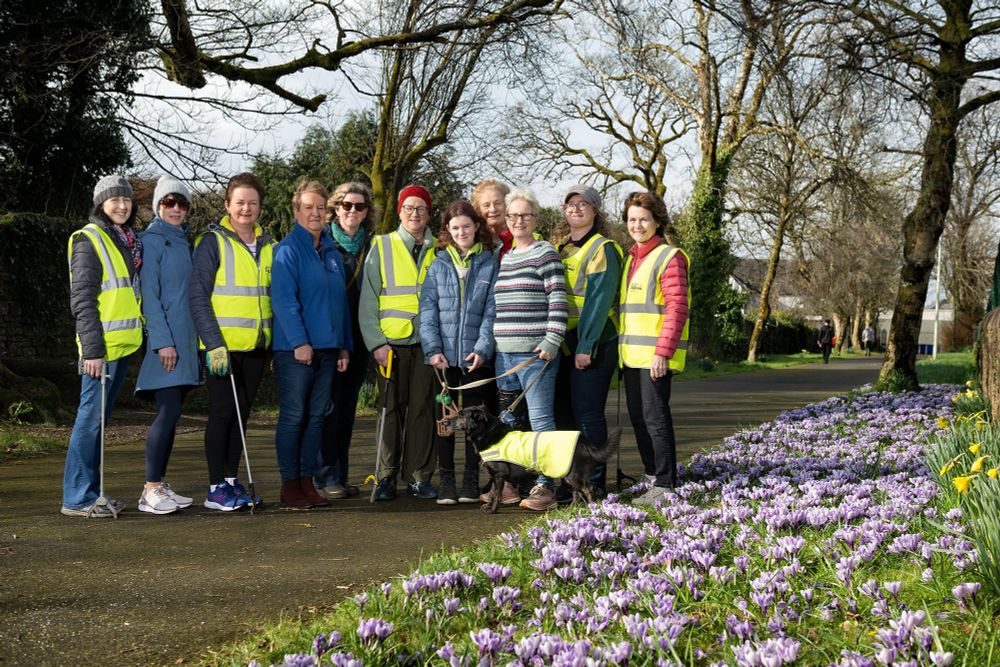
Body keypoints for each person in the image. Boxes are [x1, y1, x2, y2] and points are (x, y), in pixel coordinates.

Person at [190, 172, 273, 511]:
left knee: (242, 416)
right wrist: (212, 343)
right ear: (227, 205)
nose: (246, 208)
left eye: (252, 203)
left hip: (256, 346)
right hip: (222, 347)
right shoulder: (212, 241)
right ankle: (213, 489)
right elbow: (197, 296)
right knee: (223, 414)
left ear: (260, 207)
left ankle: (230, 480)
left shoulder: (268, 244)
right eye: (239, 202)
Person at [62, 175, 143, 517]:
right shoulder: (90, 239)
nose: (121, 205)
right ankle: (77, 497)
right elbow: (82, 299)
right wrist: (92, 351)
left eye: (126, 200)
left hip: (120, 346)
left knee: (99, 422)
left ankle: (93, 492)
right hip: (101, 350)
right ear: (100, 204)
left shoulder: (125, 240)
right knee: (89, 421)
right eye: (114, 200)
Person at [271, 180, 352, 509]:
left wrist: (344, 345)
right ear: (296, 212)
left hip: (328, 350)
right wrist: (300, 342)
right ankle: (290, 484)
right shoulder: (287, 251)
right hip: (296, 351)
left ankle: (307, 482)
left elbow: (340, 304)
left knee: (318, 415)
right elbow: (284, 302)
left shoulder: (332, 253)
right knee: (294, 415)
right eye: (309, 208)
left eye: (321, 208)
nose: (316, 213)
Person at [359, 184, 438, 501]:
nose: (414, 214)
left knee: (422, 411)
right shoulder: (382, 245)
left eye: (420, 208)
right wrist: (376, 342)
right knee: (390, 410)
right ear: (399, 212)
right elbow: (368, 299)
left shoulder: (440, 249)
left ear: (429, 214)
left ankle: (419, 477)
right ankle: (386, 477)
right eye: (409, 208)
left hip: (428, 344)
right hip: (390, 344)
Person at [492, 187, 567, 511]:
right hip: (504, 355)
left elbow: (558, 299)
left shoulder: (545, 252)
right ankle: (510, 485)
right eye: (513, 215)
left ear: (535, 218)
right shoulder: (506, 257)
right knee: (510, 422)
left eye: (524, 215)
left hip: (535, 356)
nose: (518, 220)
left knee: (540, 422)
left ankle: (546, 486)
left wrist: (552, 340)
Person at [419, 200, 498, 504]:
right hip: (444, 361)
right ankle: (447, 480)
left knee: (473, 422)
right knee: (445, 422)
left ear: (477, 227)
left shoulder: (490, 263)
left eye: (466, 226)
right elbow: (427, 311)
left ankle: (470, 480)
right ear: (447, 232)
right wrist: (433, 349)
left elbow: (493, 311)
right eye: (455, 228)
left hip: (475, 359)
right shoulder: (437, 264)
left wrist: (482, 348)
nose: (461, 231)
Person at [133, 176, 200, 515]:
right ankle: (150, 489)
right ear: (158, 206)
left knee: (172, 414)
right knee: (168, 410)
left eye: (182, 203)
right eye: (168, 202)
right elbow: (150, 298)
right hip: (168, 344)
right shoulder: (152, 241)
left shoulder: (184, 241)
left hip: (186, 342)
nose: (175, 208)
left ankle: (159, 483)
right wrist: (162, 343)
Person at [618, 192, 690, 507]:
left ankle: (665, 482)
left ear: (657, 221)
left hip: (655, 356)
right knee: (638, 417)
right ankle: (650, 474)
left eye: (644, 219)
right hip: (630, 355)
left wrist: (662, 352)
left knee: (655, 417)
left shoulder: (669, 256)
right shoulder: (629, 258)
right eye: (632, 219)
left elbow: (677, 307)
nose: (637, 225)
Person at [551, 184, 622, 499]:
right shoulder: (561, 248)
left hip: (593, 341)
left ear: (595, 210)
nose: (576, 209)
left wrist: (585, 346)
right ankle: (572, 483)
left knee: (588, 414)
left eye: (583, 204)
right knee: (564, 416)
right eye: (570, 205)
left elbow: (598, 301)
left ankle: (594, 482)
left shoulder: (603, 249)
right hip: (563, 341)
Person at [314, 182, 375, 500]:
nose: (353, 211)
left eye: (359, 207)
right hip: (331, 340)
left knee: (348, 409)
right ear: (335, 208)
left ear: (367, 212)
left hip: (361, 340)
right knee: (329, 408)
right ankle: (323, 476)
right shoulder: (321, 244)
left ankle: (340, 473)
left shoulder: (373, 246)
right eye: (346, 205)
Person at [471, 180, 511, 259]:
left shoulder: (522, 238)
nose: (493, 209)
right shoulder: (472, 241)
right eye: (486, 205)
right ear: (478, 210)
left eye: (497, 203)